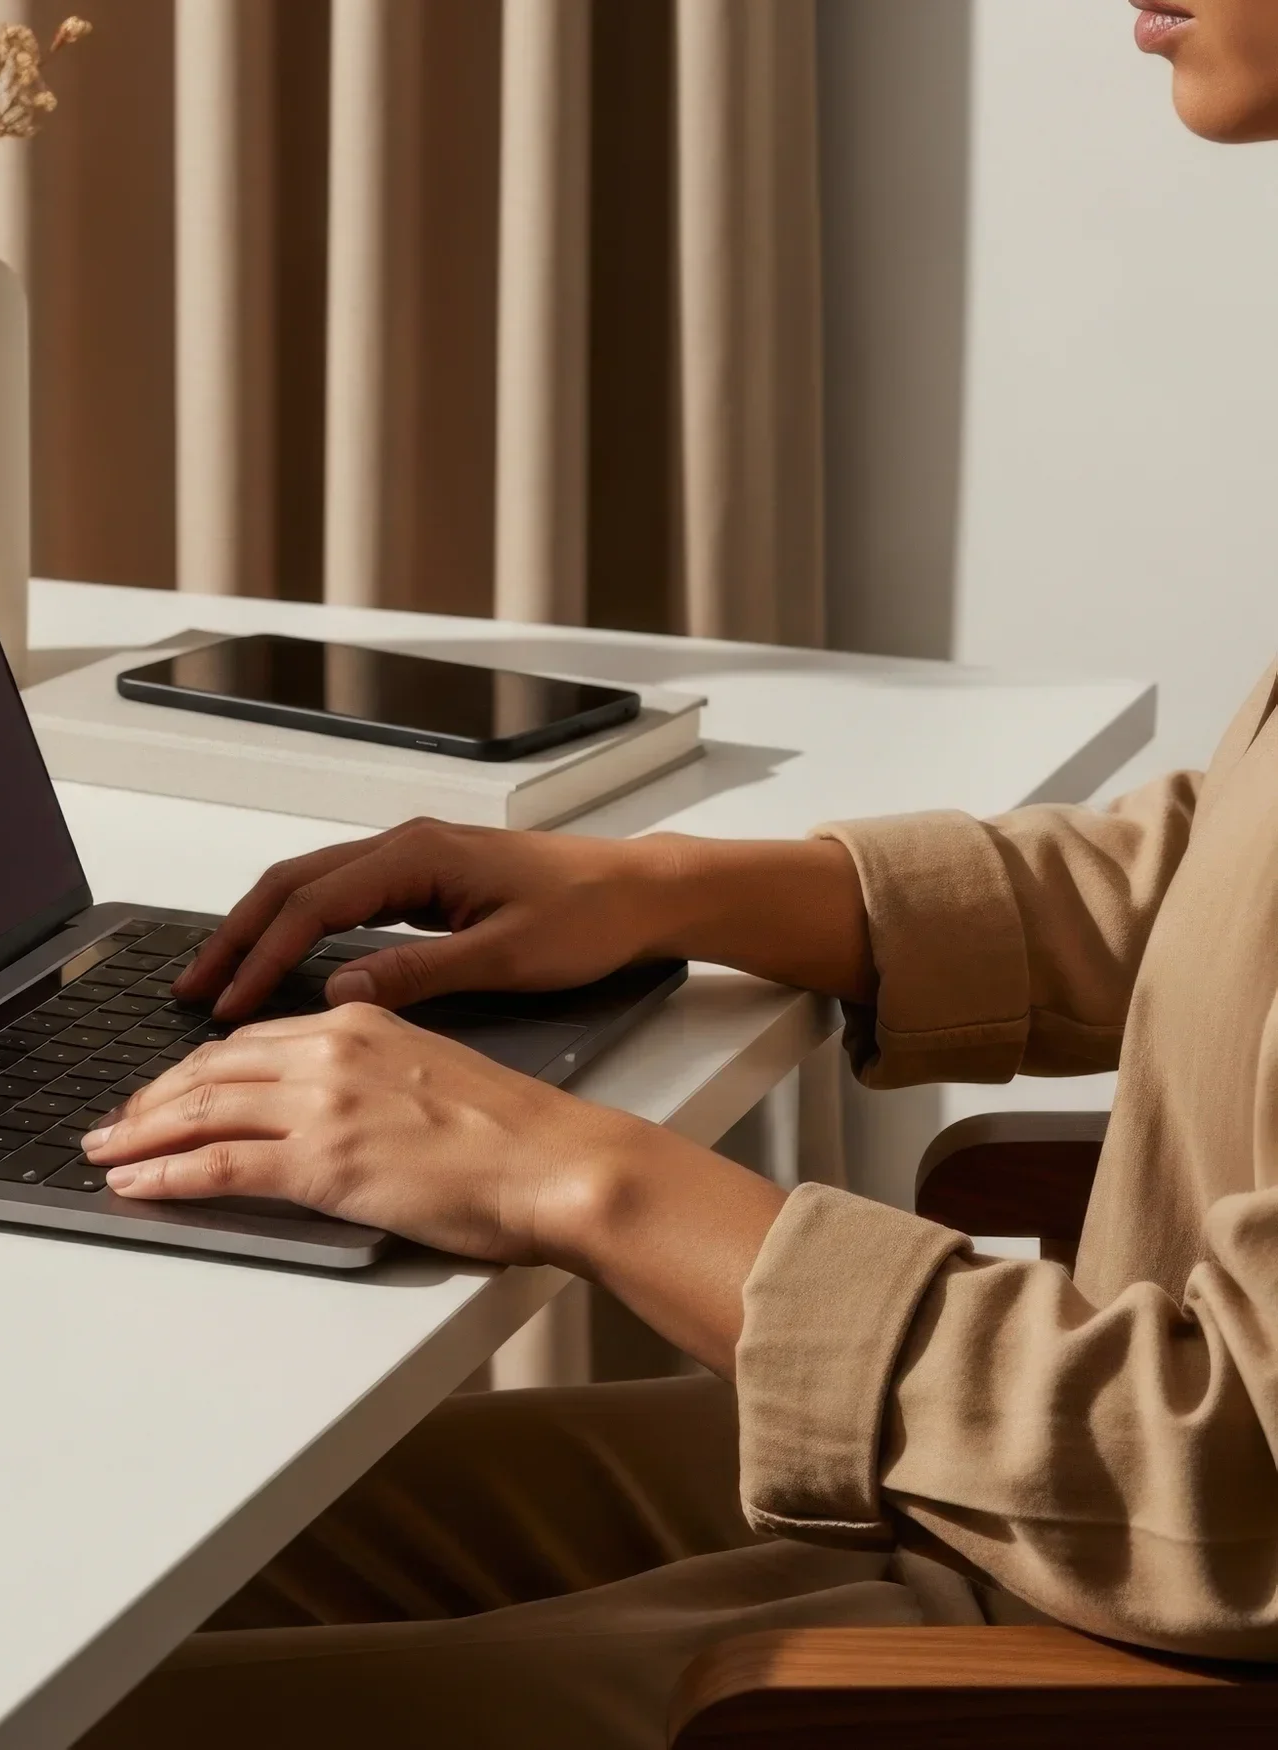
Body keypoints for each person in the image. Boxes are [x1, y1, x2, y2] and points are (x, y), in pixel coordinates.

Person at [77, 4, 1278, 1745]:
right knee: (125, 1549)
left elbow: (1232, 1483)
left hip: (1112, 1605)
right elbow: (1214, 877)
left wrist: (572, 1177)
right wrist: (664, 890)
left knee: (62, 1702)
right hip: (1047, 1499)